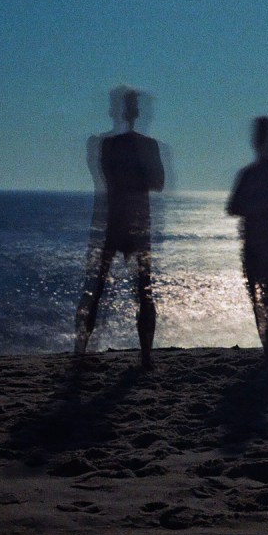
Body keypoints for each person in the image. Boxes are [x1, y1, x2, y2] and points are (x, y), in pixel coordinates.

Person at [74, 87, 167, 370]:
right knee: (113, 290)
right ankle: (86, 350)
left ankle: (143, 355)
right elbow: (150, 180)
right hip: (123, 225)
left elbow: (153, 181)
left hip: (124, 225)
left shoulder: (121, 145)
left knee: (128, 291)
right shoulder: (116, 145)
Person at [226, 117, 268, 366]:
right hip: (252, 239)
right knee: (257, 296)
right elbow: (234, 206)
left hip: (265, 239)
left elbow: (264, 204)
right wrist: (252, 206)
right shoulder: (249, 173)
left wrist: (249, 205)